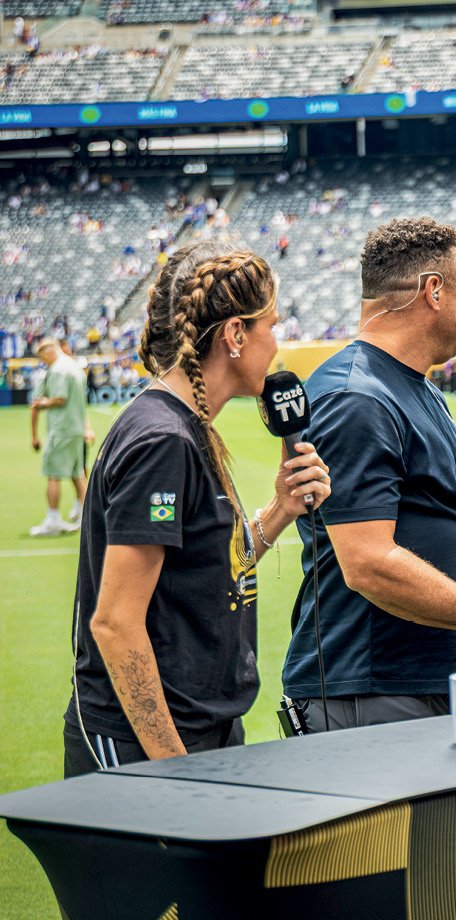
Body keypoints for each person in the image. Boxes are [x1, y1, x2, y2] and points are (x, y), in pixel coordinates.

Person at [281, 218, 456, 732]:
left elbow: (408, 511)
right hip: (372, 689)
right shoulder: (357, 397)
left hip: (411, 682)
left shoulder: (412, 386)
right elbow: (367, 562)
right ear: (433, 292)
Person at [64, 243, 331, 776]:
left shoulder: (188, 427)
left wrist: (280, 509)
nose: (278, 345)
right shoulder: (163, 440)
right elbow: (115, 623)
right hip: (150, 745)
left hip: (201, 730)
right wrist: (174, 770)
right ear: (235, 335)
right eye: (271, 326)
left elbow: (211, 567)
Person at [29, 338, 93, 535]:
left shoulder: (58, 370)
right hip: (75, 429)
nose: (43, 360)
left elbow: (60, 398)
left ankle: (53, 520)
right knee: (77, 474)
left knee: (53, 474)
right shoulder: (75, 367)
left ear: (49, 350)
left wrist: (42, 403)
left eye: (42, 355)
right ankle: (87, 518)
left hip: (62, 429)